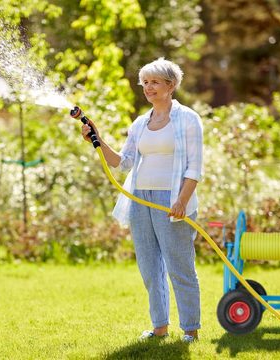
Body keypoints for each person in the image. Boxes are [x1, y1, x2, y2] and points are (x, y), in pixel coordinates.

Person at [81, 58, 203, 343]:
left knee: (179, 266)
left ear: (171, 86)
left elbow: (195, 168)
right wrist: (96, 140)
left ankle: (190, 330)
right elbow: (123, 164)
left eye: (155, 82)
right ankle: (160, 327)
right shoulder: (140, 123)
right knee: (149, 268)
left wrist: (182, 201)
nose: (148, 88)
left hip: (171, 199)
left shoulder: (188, 119)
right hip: (140, 200)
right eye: (145, 82)